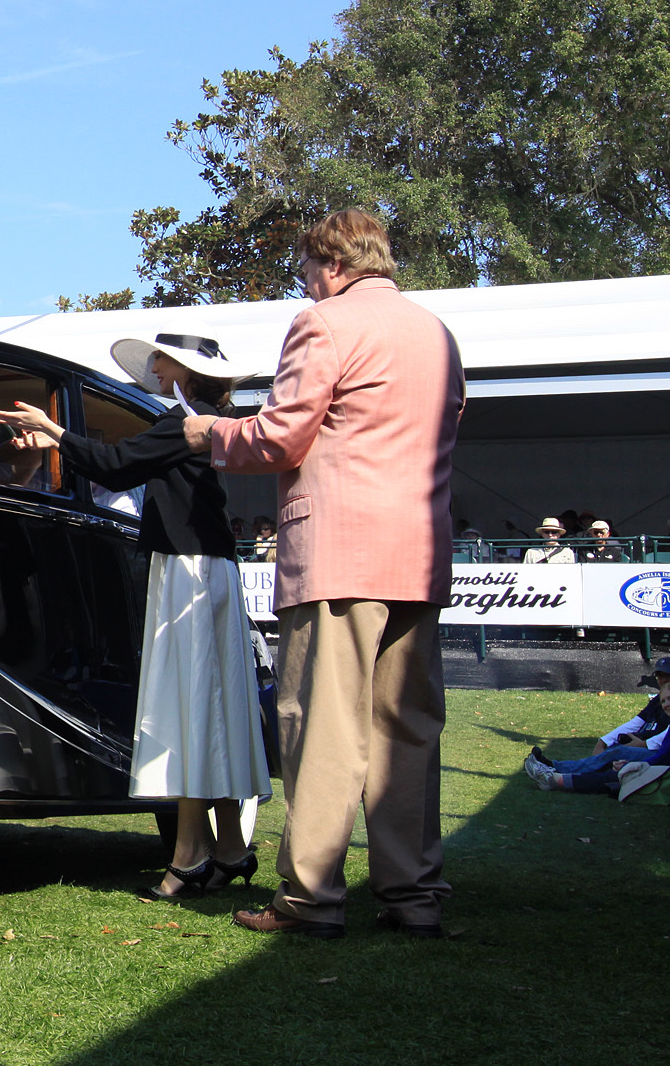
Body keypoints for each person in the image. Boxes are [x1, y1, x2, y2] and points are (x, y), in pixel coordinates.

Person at [183, 208, 465, 940]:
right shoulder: (438, 333)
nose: (305, 285)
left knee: (325, 730)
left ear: (333, 264)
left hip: (340, 555)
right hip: (419, 555)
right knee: (409, 734)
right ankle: (413, 895)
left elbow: (280, 435)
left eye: (307, 270)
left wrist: (208, 431)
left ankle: (310, 897)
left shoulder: (324, 323)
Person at [0, 331, 269, 899]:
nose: (154, 363)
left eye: (162, 357)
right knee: (208, 704)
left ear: (181, 368)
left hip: (189, 570)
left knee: (191, 703)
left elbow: (115, 466)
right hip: (205, 567)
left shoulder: (183, 422)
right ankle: (228, 847)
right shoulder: (198, 418)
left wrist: (53, 432)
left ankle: (193, 853)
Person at [524, 681, 670, 795]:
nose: (666, 704)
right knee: (614, 766)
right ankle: (554, 773)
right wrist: (604, 740)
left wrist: (636, 765)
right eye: (663, 701)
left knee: (615, 773)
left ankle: (553, 775)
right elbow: (637, 724)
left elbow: (665, 756)